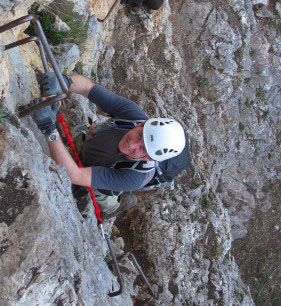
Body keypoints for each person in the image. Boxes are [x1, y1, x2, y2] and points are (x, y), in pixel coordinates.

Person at [30, 72, 186, 218]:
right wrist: (64, 81)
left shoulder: (136, 176)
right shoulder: (132, 115)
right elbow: (88, 88)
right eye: (139, 135)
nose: (132, 144)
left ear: (148, 158)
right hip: (92, 147)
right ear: (141, 124)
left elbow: (75, 175)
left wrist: (49, 129)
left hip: (104, 185)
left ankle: (120, 205)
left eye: (142, 148)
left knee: (105, 203)